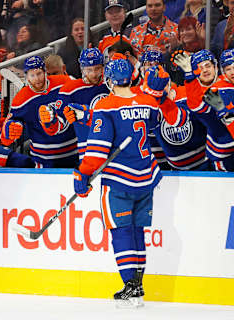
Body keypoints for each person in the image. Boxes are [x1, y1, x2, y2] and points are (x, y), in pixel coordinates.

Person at [72, 58, 185, 307]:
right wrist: (161, 96)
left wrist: (82, 173)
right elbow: (172, 120)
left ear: (109, 81)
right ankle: (138, 287)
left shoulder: (106, 105)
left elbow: (98, 151)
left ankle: (129, 286)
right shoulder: (146, 101)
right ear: (132, 77)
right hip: (146, 178)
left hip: (119, 181)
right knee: (137, 233)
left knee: (121, 233)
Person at [3, 56, 76, 168]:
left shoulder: (64, 82)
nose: (37, 79)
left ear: (45, 72)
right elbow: (11, 125)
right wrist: (10, 128)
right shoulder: (21, 99)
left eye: (39, 74)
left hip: (74, 153)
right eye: (32, 75)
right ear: (26, 76)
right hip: (44, 160)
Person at [173, 49, 234, 170]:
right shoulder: (182, 93)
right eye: (200, 67)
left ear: (216, 67)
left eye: (208, 66)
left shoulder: (226, 87)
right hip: (204, 157)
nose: (205, 70)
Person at [54, 48, 110, 161]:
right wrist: (50, 120)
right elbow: (59, 122)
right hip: (87, 148)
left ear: (103, 67)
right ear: (82, 69)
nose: (94, 74)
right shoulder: (70, 89)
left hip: (113, 144)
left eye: (97, 69)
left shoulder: (111, 85)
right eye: (89, 70)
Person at [167, 16, 205, 85]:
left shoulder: (205, 47)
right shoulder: (177, 50)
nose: (184, 33)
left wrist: (202, 41)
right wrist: (170, 52)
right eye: (182, 31)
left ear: (197, 29)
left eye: (189, 29)